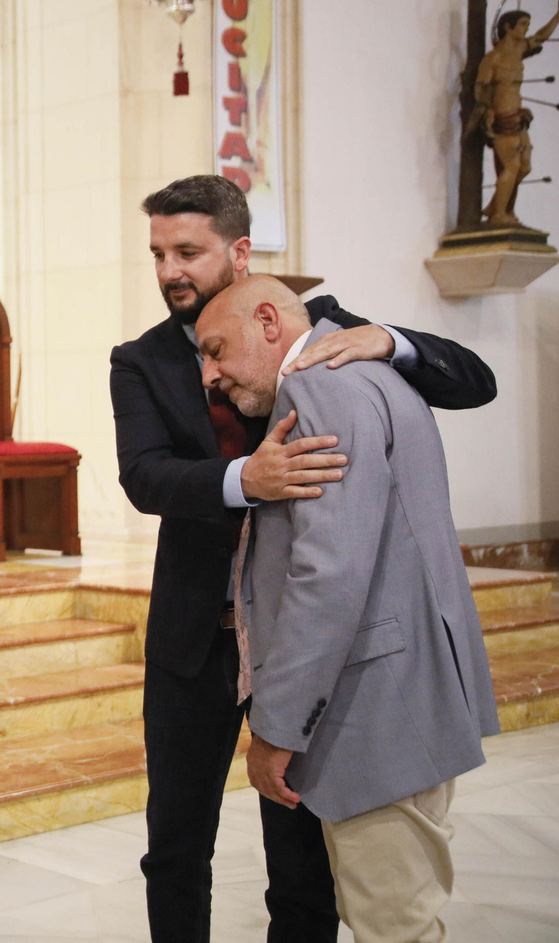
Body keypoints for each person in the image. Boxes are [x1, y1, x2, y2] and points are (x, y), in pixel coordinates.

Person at [108, 174, 497, 943]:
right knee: (178, 843)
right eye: (157, 254)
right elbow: (143, 475)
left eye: (187, 251)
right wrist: (239, 479)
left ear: (240, 253)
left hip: (298, 637)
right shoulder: (143, 359)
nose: (169, 271)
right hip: (197, 633)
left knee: (301, 852)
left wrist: (395, 340)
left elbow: (474, 382)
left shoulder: (326, 339)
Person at [195, 275, 497, 943]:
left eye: (216, 349)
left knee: (395, 926)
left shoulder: (317, 385)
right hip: (415, 688)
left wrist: (275, 729)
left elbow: (328, 574)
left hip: (376, 706)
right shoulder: (372, 370)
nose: (210, 374)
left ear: (268, 320)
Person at [473, 0, 559, 227]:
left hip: (519, 116)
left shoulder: (518, 52)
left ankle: (495, 205)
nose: (527, 29)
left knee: (525, 166)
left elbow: (542, 36)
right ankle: (498, 215)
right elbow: (481, 88)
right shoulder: (493, 59)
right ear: (508, 27)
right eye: (523, 24)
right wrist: (487, 111)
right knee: (512, 166)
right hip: (502, 117)